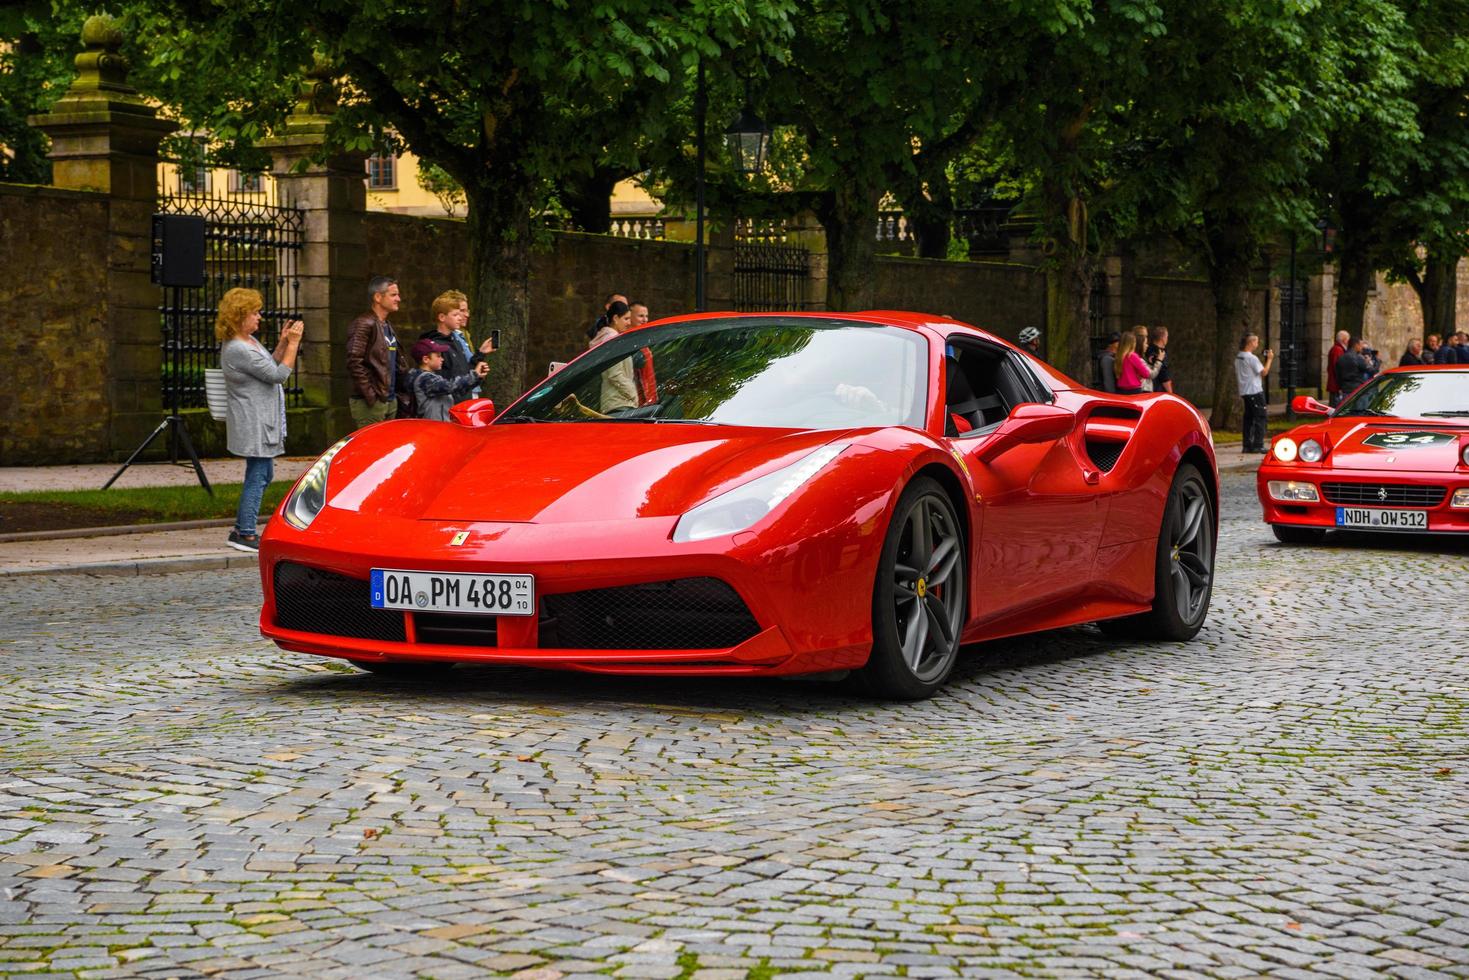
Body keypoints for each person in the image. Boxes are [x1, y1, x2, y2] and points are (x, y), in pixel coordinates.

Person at [217, 287, 303, 553]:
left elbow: (269, 365)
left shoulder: (249, 343)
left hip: (259, 420)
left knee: (263, 473)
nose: (259, 317)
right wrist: (294, 343)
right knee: (258, 475)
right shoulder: (238, 348)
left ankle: (242, 527)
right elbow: (278, 375)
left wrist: (281, 343)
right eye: (254, 313)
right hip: (253, 422)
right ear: (240, 316)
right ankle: (245, 533)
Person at [346, 276, 407, 427]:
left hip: (389, 400)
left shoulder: (386, 325)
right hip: (372, 403)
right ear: (378, 297)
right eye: (393, 295)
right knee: (371, 448)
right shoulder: (364, 324)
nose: (398, 299)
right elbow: (354, 361)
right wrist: (371, 396)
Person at [419, 290, 494, 403]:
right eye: (456, 314)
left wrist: (480, 360)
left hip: (466, 401)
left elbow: (463, 370)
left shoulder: (456, 341)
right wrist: (474, 376)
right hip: (450, 407)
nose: (461, 317)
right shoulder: (434, 346)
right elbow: (441, 384)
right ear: (442, 317)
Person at [407, 338, 490, 421]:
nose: (442, 359)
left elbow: (456, 391)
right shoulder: (425, 379)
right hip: (432, 428)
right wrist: (475, 375)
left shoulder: (432, 377)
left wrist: (478, 377)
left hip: (439, 427)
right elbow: (451, 386)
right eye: (438, 356)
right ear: (426, 359)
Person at [589, 300, 638, 411]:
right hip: (619, 403)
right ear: (615, 318)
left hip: (614, 401)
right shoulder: (613, 340)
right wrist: (633, 394)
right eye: (626, 319)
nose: (629, 323)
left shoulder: (608, 338)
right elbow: (614, 374)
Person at [1235, 333, 1273, 454]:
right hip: (1255, 391)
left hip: (1245, 391)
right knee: (1260, 417)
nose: (1257, 344)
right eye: (1256, 342)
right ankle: (1258, 444)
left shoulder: (1239, 357)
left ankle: (1247, 445)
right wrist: (1270, 359)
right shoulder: (1251, 358)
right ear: (1250, 343)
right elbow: (1264, 372)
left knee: (1249, 418)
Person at [1146, 325, 1173, 394]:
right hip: (1158, 390)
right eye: (1167, 337)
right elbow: (1163, 374)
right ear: (1162, 338)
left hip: (1149, 388)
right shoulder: (1159, 353)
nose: (1167, 339)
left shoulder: (1147, 349)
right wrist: (1171, 393)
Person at [1326, 329, 1349, 406]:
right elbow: (1337, 368)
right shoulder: (1337, 350)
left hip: (1335, 383)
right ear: (1344, 340)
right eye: (1347, 339)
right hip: (1336, 384)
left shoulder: (1338, 349)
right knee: (1335, 405)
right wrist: (1340, 384)